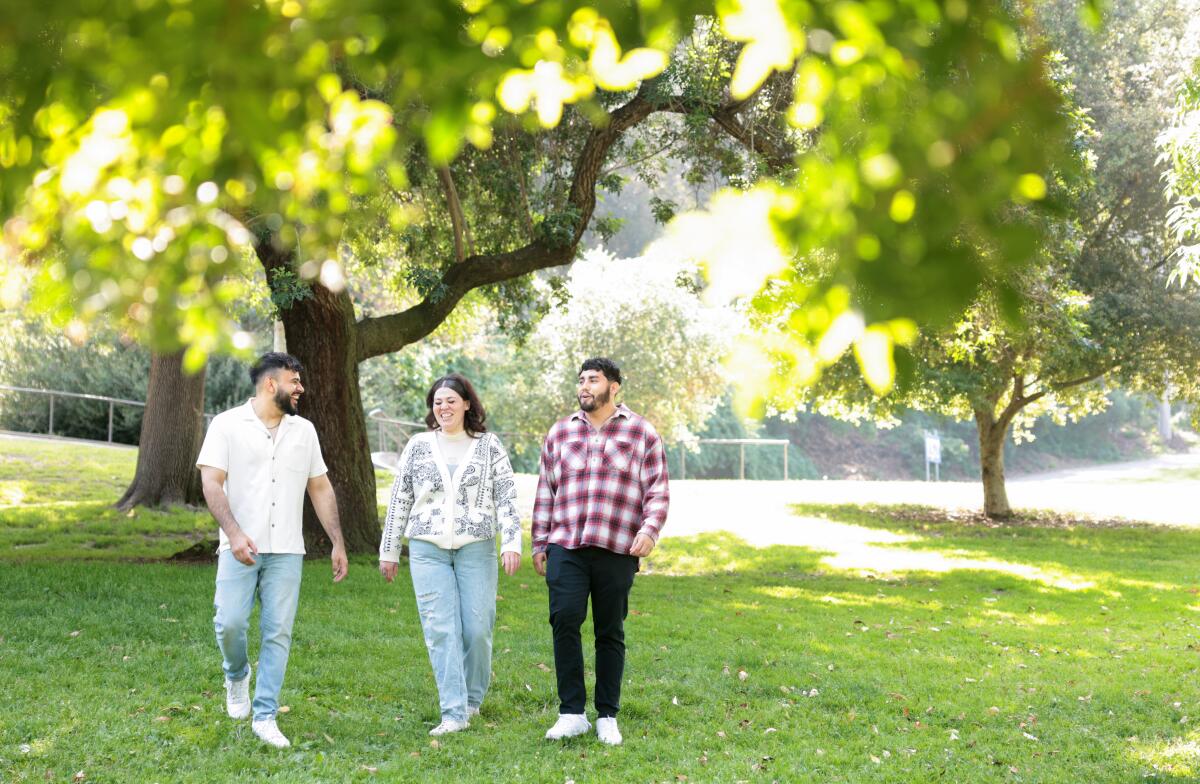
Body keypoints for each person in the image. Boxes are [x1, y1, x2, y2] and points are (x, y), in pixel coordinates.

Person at [196, 351, 348, 749]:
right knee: (229, 622)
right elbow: (212, 483)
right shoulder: (227, 425)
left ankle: (265, 715)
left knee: (278, 631)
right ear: (270, 384)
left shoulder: (305, 431)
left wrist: (337, 541)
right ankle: (236, 675)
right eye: (294, 381)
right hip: (238, 545)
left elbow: (320, 487)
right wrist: (234, 533)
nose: (301, 388)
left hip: (287, 551)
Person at [533, 357, 669, 746]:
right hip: (566, 544)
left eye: (593, 380)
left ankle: (607, 715)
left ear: (614, 387)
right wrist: (540, 542)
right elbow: (546, 490)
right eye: (580, 380)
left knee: (610, 630)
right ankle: (572, 712)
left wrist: (650, 531)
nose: (584, 386)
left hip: (616, 546)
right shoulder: (560, 433)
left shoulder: (641, 432)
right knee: (564, 619)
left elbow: (658, 489)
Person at [379, 372, 522, 736]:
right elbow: (400, 499)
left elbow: (506, 495)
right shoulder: (418, 446)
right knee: (440, 629)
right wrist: (390, 550)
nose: (443, 407)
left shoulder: (489, 446)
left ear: (467, 404)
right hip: (428, 549)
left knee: (477, 629)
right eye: (437, 402)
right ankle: (453, 712)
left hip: (477, 547)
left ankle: (472, 701)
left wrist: (511, 542)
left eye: (451, 401)